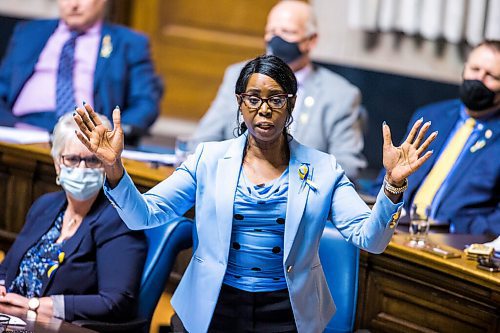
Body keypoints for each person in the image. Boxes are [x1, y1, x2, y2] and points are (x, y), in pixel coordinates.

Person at [74, 55, 435, 333]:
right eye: (254, 98)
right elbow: (144, 216)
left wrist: (393, 185)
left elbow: (369, 240)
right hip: (213, 305)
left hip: (288, 311)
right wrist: (113, 167)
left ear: (291, 104)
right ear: (240, 102)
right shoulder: (208, 159)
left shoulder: (324, 169)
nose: (264, 110)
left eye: (276, 99)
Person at [191, 0, 366, 179]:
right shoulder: (238, 75)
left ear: (311, 40)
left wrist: (291, 181)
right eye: (271, 31)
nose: (277, 39)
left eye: (287, 32)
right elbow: (202, 141)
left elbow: (347, 167)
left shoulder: (341, 95)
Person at [0, 112, 147, 322]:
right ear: (58, 164)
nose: (82, 168)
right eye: (72, 159)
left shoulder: (120, 220)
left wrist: (34, 305)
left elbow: (116, 302)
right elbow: (7, 266)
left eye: (93, 160)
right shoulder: (45, 205)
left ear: (106, 164)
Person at [370, 40, 499, 236]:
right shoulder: (432, 116)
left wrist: (461, 230)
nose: (479, 79)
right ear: (464, 69)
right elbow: (386, 180)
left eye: (491, 76)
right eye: (474, 69)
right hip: (397, 232)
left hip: (457, 243)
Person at [0, 0, 163, 144]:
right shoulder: (29, 32)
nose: (74, 4)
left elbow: (145, 103)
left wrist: (109, 135)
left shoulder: (129, 43)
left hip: (86, 134)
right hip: (22, 128)